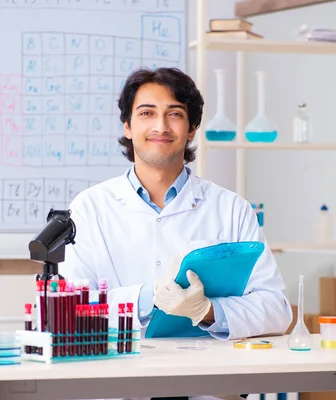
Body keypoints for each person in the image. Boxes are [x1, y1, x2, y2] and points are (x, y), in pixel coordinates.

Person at [60, 67, 292, 400]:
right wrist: (147, 297)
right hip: (117, 383)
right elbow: (70, 311)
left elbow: (276, 309)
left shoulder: (230, 208)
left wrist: (207, 310)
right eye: (146, 113)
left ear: (192, 128)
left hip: (206, 385)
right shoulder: (89, 208)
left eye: (175, 114)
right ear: (127, 126)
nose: (160, 126)